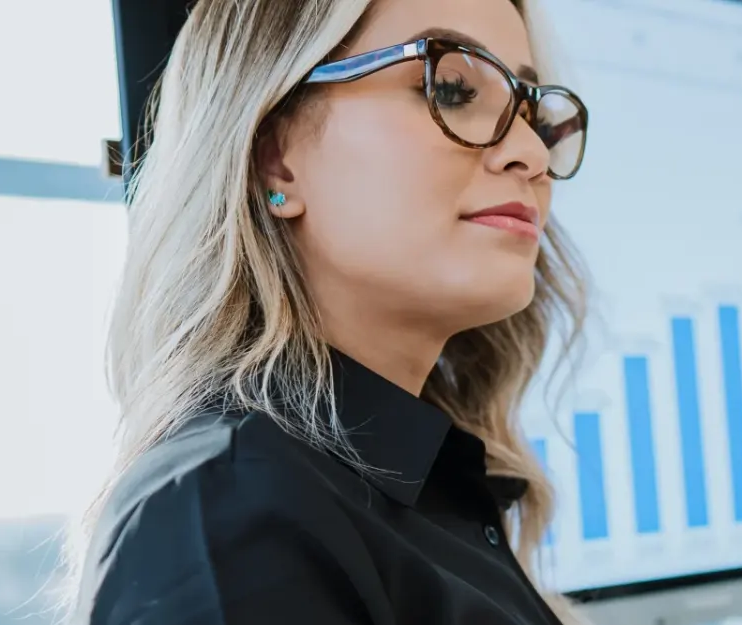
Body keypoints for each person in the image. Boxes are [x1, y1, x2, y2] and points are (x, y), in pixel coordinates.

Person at [68, 0, 589, 622]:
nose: (530, 152)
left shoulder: (419, 493)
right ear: (274, 158)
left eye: (531, 112)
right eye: (450, 87)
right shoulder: (229, 518)